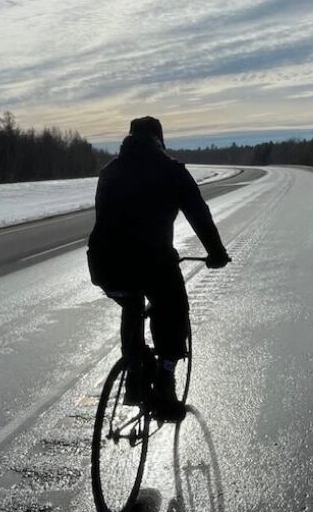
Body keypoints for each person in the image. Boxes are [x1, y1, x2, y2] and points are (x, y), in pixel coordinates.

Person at [87, 116, 230, 420]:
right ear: (160, 141)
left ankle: (135, 372)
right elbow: (199, 215)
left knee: (131, 303)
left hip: (105, 266)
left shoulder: (109, 172)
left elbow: (103, 220)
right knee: (173, 310)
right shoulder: (172, 171)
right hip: (153, 263)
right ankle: (165, 380)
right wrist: (216, 253)